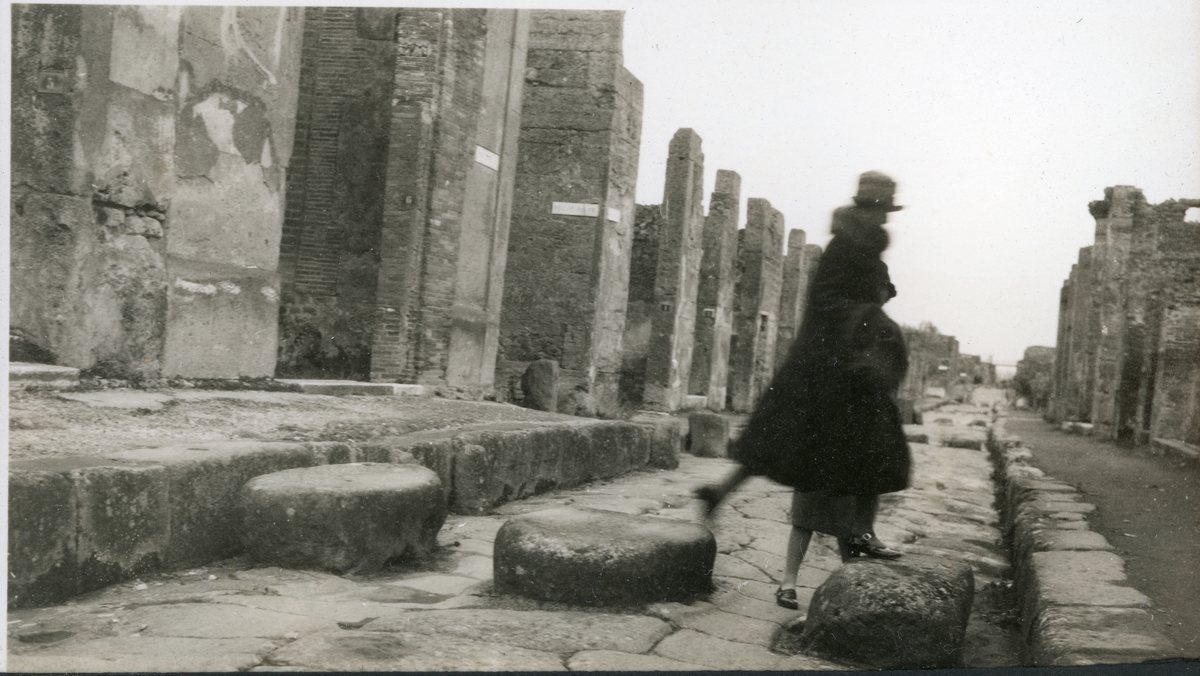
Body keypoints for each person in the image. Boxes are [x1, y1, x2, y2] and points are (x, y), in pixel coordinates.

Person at [694, 171, 912, 610]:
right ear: (871, 210)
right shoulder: (852, 246)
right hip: (834, 362)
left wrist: (873, 308)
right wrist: (872, 318)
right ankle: (859, 534)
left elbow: (863, 294)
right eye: (880, 210)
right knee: (865, 445)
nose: (883, 219)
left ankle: (722, 491)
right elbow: (839, 302)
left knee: (778, 438)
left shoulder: (856, 245)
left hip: (829, 358)